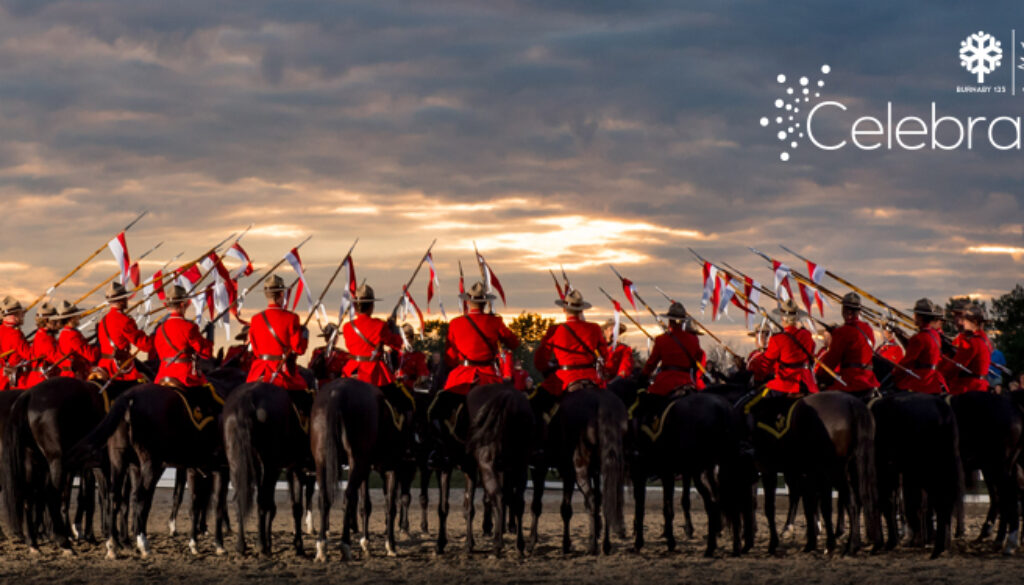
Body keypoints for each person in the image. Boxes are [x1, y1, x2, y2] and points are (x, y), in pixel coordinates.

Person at [431, 282, 520, 443]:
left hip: (462, 378)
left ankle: (444, 451)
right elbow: (514, 343)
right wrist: (495, 324)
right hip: (490, 378)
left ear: (467, 302)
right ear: (485, 302)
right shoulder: (495, 321)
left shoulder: (455, 323)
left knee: (435, 412)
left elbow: (450, 357)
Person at [636, 302, 704, 435]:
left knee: (644, 408)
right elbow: (698, 360)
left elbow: (651, 364)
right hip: (687, 383)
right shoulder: (693, 340)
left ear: (669, 321)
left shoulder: (661, 340)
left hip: (665, 384)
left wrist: (643, 377)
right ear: (683, 322)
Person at [151, 285, 218, 418]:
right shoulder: (189, 327)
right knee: (211, 404)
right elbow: (206, 352)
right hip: (184, 377)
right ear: (183, 304)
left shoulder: (160, 329)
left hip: (163, 376)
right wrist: (210, 336)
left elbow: (159, 352)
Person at [248, 275, 311, 414]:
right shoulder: (291, 318)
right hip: (282, 375)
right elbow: (299, 349)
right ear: (282, 294)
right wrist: (305, 335)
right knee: (308, 401)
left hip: (259, 372)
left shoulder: (255, 319)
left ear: (266, 295)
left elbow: (256, 351)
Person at [817, 293, 880, 399]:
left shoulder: (842, 331)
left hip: (851, 381)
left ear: (845, 311)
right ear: (858, 311)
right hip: (869, 380)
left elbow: (832, 359)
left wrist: (820, 375)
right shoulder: (868, 328)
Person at [750, 299, 817, 396]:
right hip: (807, 383)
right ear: (797, 318)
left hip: (786, 384)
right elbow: (812, 352)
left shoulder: (777, 339)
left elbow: (766, 364)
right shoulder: (807, 335)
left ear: (782, 318)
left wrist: (757, 378)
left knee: (748, 405)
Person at [96, 282, 153, 385]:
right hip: (119, 368)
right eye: (125, 297)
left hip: (104, 365)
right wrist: (155, 337)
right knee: (150, 380)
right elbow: (145, 346)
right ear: (121, 300)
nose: (127, 300)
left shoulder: (103, 320)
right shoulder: (124, 320)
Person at [895, 298, 946, 394]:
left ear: (920, 317)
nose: (913, 317)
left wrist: (894, 372)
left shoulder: (919, 337)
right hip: (933, 379)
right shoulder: (935, 334)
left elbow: (907, 362)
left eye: (915, 314)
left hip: (920, 380)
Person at [940, 303, 991, 395]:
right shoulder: (983, 339)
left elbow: (954, 368)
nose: (961, 321)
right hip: (979, 387)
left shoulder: (971, 342)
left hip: (966, 388)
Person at [55, 301, 99, 380]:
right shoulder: (72, 335)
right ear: (71, 319)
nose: (79, 317)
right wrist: (100, 344)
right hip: (74, 377)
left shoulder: (65, 332)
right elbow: (91, 356)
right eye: (76, 316)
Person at [0, 296, 32, 390]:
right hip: (17, 380)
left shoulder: (2, 328)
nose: (22, 316)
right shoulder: (15, 333)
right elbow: (29, 355)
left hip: (3, 376)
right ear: (14, 316)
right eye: (20, 314)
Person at [24, 302, 60, 387]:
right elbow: (56, 358)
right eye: (54, 320)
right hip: (41, 379)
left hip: (40, 377)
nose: (57, 322)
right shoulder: (45, 338)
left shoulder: (43, 334)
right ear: (46, 321)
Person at [308, 323, 349, 387]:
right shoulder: (318, 352)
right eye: (329, 336)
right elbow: (311, 369)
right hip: (321, 385)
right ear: (325, 338)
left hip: (338, 385)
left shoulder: (343, 354)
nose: (332, 339)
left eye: (335, 336)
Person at [397, 323, 430, 390]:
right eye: (403, 338)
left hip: (409, 388)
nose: (406, 340)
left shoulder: (418, 356)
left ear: (412, 339)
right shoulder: (393, 354)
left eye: (409, 337)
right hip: (394, 387)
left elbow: (423, 375)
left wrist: (415, 384)